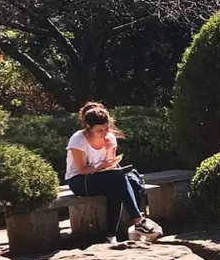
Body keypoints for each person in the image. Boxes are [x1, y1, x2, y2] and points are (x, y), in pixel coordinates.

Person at [66, 102, 162, 243]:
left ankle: (110, 236)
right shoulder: (78, 140)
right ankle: (138, 221)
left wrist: (110, 149)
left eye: (106, 128)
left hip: (104, 177)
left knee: (115, 189)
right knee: (117, 178)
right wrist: (102, 167)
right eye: (100, 130)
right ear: (89, 127)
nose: (105, 133)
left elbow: (111, 165)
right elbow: (82, 169)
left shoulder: (110, 138)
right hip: (80, 180)